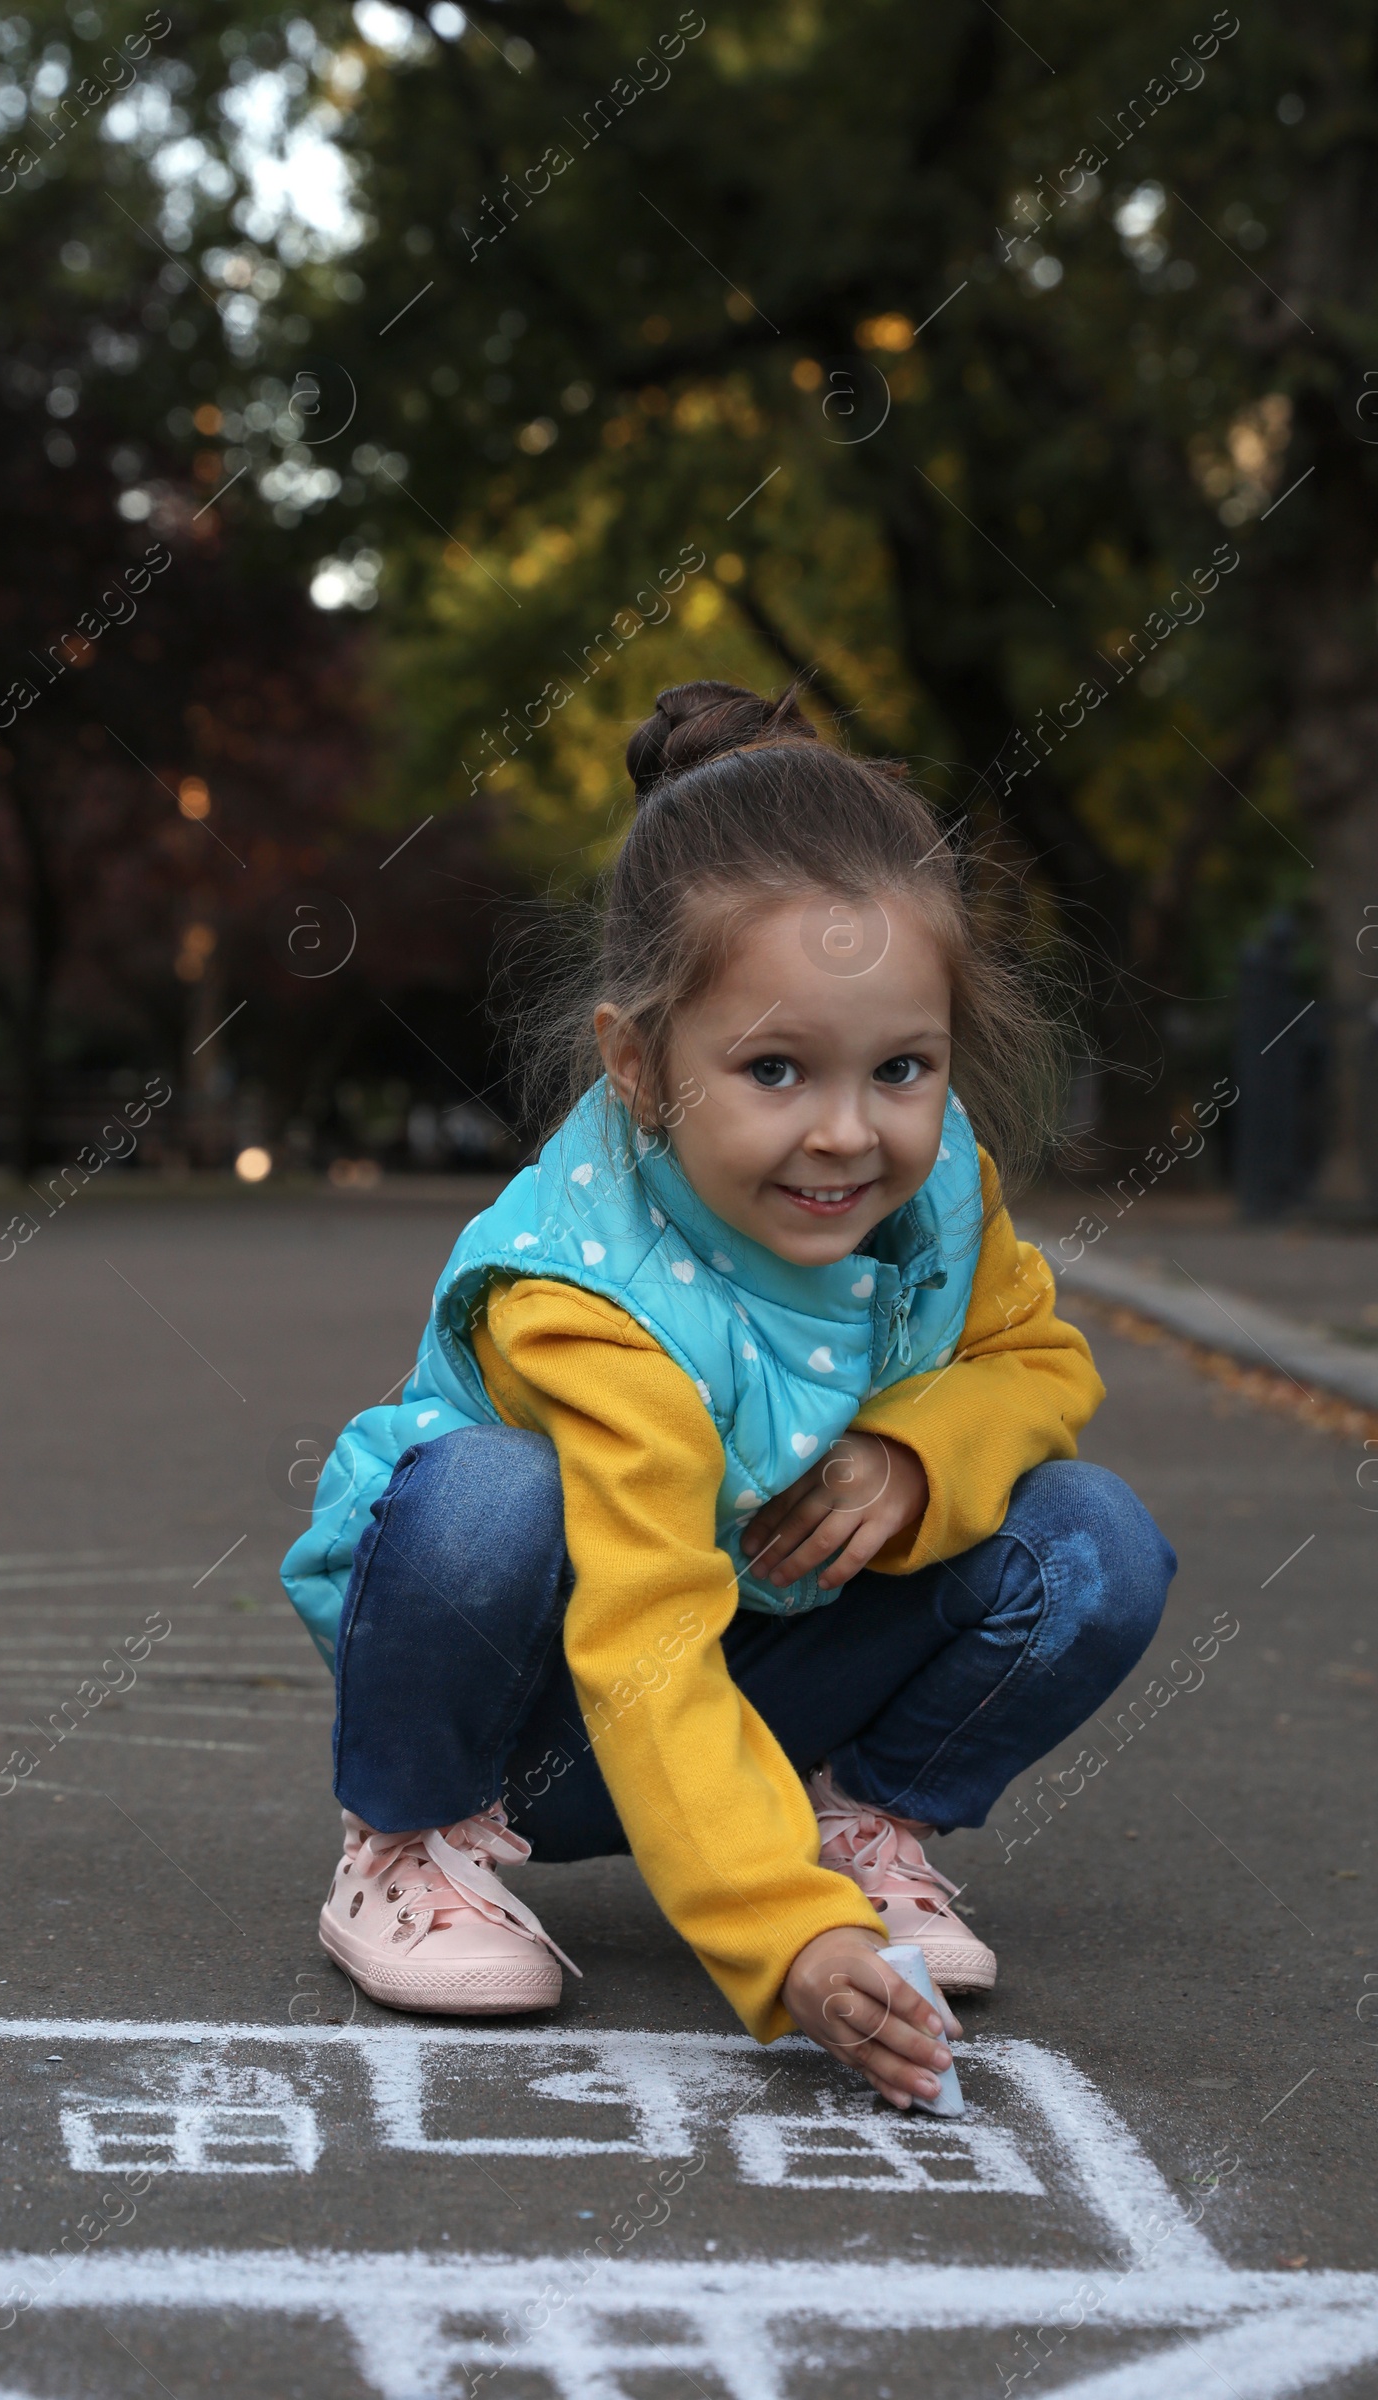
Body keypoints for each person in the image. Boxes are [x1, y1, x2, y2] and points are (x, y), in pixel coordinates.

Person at [281, 681, 1174, 2110]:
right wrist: (788, 1946)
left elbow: (1036, 1360)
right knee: (484, 1503)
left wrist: (913, 1451)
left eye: (902, 1068)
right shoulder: (584, 1296)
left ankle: (848, 1825)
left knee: (1093, 1539)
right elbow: (645, 1644)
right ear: (640, 1067)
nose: (845, 1131)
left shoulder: (942, 1190)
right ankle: (409, 1836)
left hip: (764, 1663)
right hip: (550, 1715)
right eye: (772, 1069)